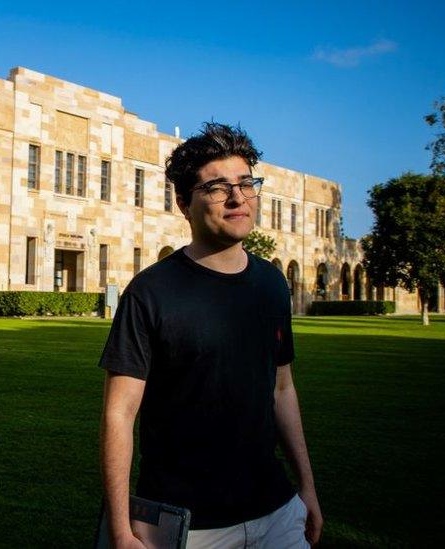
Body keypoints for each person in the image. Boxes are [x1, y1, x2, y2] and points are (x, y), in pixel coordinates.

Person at [99, 123, 322, 548]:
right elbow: (119, 415)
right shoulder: (150, 293)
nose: (237, 198)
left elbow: (282, 389)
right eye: (218, 187)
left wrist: (306, 486)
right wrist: (121, 527)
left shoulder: (272, 284)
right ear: (184, 203)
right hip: (189, 525)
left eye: (246, 184)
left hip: (277, 512)